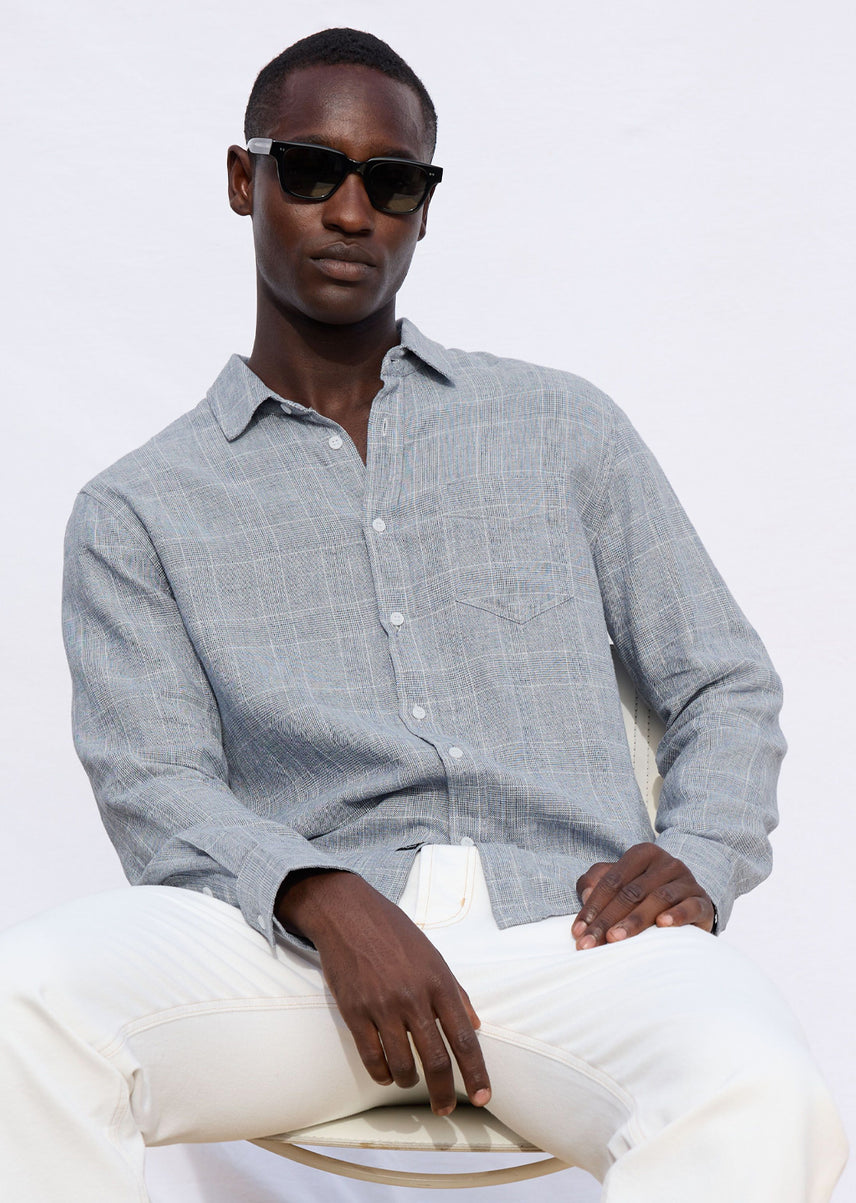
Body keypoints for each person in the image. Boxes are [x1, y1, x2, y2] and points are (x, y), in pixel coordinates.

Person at [0, 27, 847, 1203]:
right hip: (292, 968)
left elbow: (722, 682)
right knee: (27, 1002)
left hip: (573, 943)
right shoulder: (137, 509)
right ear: (244, 180)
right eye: (311, 170)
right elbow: (156, 785)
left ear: (423, 209)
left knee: (758, 1085)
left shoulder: (562, 430)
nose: (352, 212)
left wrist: (697, 856)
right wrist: (318, 895)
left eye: (391, 182)